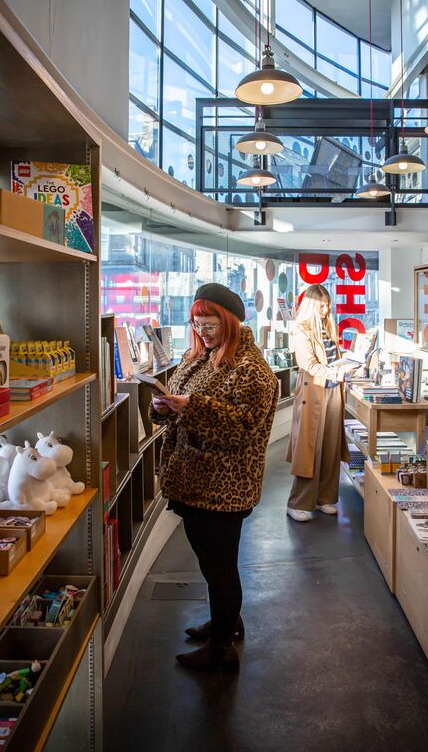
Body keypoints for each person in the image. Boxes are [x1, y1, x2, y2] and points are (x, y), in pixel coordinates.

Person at [150, 283, 279, 673]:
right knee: (210, 564)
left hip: (223, 488)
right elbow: (178, 405)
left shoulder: (252, 371)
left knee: (221, 568)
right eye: (197, 325)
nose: (203, 333)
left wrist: (191, 407)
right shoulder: (201, 356)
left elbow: (240, 428)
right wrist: (164, 407)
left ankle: (221, 650)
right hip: (194, 481)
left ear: (230, 323)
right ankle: (227, 621)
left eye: (210, 326)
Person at [286, 284, 358, 522]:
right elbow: (310, 365)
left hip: (332, 392)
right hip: (313, 394)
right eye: (322, 305)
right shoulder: (302, 330)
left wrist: (348, 366)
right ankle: (299, 502)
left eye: (328, 304)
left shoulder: (327, 327)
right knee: (310, 450)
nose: (326, 309)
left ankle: (325, 498)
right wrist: (340, 373)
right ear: (311, 305)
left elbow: (331, 362)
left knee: (330, 447)